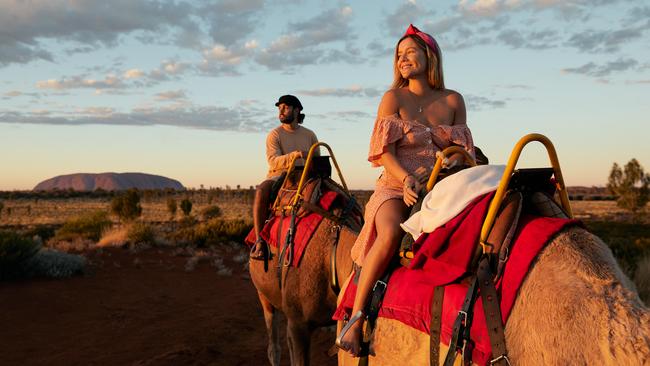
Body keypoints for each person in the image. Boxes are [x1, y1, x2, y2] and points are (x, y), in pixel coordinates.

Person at [335, 24, 475, 355]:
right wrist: (406, 179)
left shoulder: (453, 100)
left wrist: (455, 161)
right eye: (398, 55)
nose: (402, 59)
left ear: (430, 56)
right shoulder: (393, 98)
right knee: (389, 234)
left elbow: (465, 151)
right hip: (398, 185)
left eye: (410, 52)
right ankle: (356, 318)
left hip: (443, 185)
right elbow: (385, 152)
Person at [250, 94, 319, 260]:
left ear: (297, 110)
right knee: (261, 191)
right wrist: (296, 156)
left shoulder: (309, 135)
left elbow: (317, 159)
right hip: (280, 175)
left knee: (335, 195)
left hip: (306, 175)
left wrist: (309, 162)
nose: (281, 110)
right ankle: (260, 242)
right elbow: (273, 161)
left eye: (286, 107)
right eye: (279, 107)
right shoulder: (275, 134)